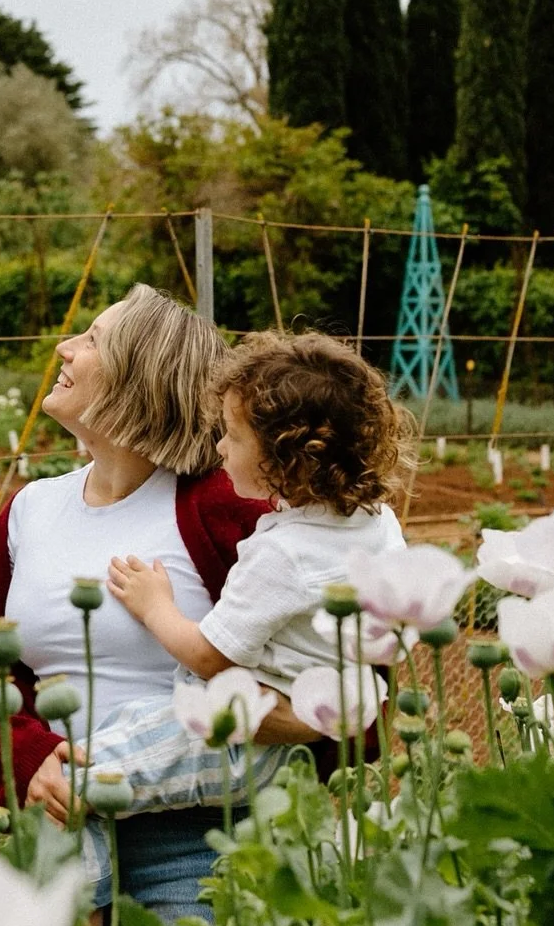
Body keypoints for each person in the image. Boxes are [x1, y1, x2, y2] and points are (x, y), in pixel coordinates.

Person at [0, 286, 318, 926]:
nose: (65, 349)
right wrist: (32, 756)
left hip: (196, 837)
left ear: (141, 374)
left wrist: (297, 728)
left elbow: (333, 664)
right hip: (59, 826)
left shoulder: (227, 506)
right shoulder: (29, 511)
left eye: (94, 339)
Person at [79, 330, 411, 893]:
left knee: (74, 773)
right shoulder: (377, 522)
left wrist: (155, 607)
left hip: (239, 742)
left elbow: (211, 655)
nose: (220, 450)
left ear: (288, 457)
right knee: (105, 736)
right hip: (296, 732)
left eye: (233, 437)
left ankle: (84, 900)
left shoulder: (281, 554)